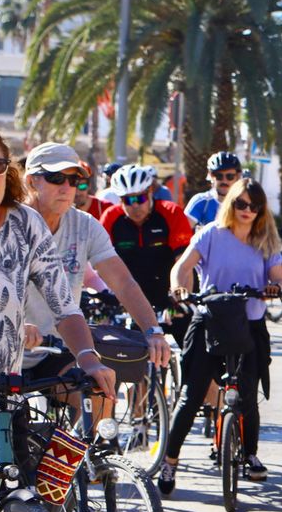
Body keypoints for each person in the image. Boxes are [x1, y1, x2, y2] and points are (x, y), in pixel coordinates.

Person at [0, 122, 116, 456]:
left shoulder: (25, 224)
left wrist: (90, 359)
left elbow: (64, 305)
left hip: (3, 395)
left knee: (19, 493)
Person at [158, 179, 282, 494]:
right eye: (241, 203)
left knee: (247, 396)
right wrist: (179, 287)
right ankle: (169, 462)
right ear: (231, 203)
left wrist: (274, 288)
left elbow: (280, 280)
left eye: (254, 206)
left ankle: (251, 454)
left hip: (250, 326)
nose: (247, 211)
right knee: (191, 396)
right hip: (210, 323)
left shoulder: (267, 241)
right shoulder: (211, 234)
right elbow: (182, 267)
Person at [20, 143, 171, 379]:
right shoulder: (7, 223)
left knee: (98, 390)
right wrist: (16, 325)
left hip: (57, 348)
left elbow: (122, 282)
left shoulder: (86, 225)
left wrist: (153, 331)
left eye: (74, 180)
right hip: (4, 348)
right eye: (56, 178)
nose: (67, 187)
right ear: (31, 182)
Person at [100, 164, 196, 344]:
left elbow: (184, 265)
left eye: (140, 198)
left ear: (150, 191)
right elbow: (99, 265)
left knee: (195, 360)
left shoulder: (171, 213)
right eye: (128, 200)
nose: (135, 205)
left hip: (170, 294)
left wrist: (180, 300)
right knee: (126, 359)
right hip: (132, 298)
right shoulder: (111, 218)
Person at [184, 151, 243, 225]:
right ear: (211, 176)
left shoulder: (244, 205)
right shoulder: (200, 202)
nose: (224, 181)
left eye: (230, 176)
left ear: (237, 177)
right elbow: (183, 232)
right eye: (219, 176)